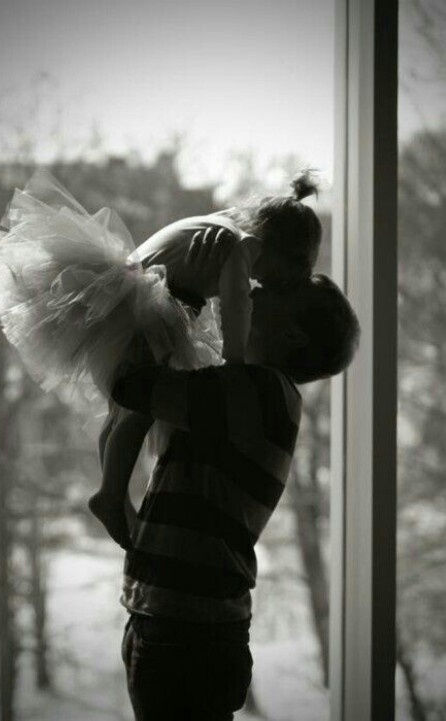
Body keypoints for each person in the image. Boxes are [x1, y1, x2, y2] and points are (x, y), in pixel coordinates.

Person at [0, 167, 323, 549]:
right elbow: (235, 306)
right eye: (282, 277)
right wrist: (235, 363)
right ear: (278, 248)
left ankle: (111, 491)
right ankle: (111, 493)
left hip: (132, 300)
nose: (267, 284)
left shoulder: (222, 227)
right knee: (138, 411)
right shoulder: (240, 245)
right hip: (142, 307)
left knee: (124, 411)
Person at [112, 241, 361, 720]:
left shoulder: (259, 393)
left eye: (270, 291)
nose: (251, 290)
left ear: (290, 335)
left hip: (185, 633)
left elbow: (133, 385)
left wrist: (184, 294)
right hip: (182, 624)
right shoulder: (255, 391)